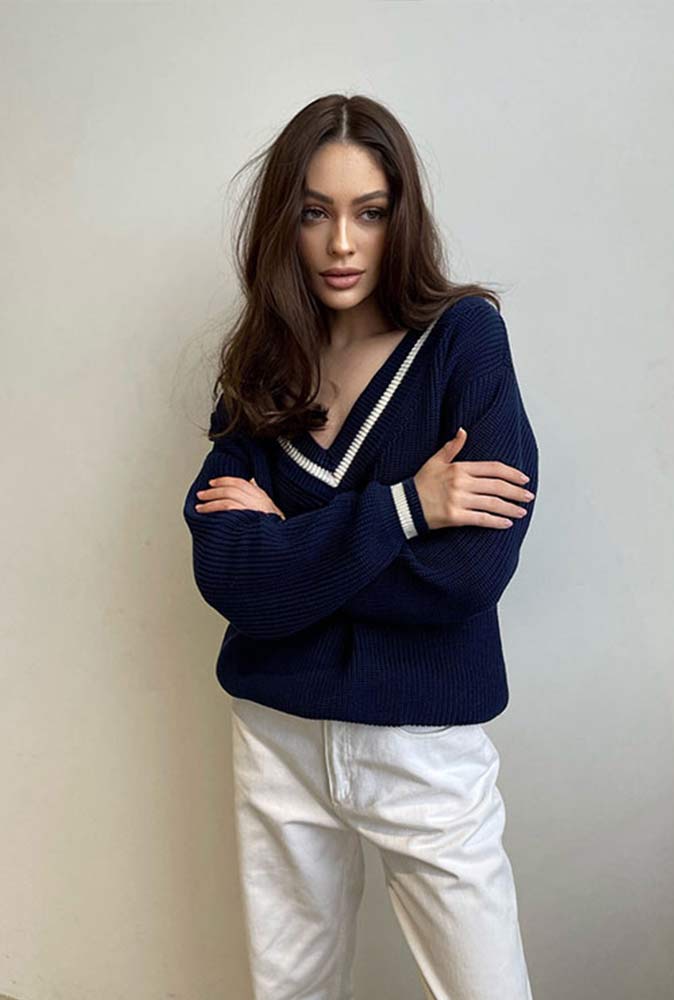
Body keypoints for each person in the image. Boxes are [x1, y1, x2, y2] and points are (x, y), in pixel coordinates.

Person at [183, 93, 539, 1000]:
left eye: (369, 212)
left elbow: (470, 574)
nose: (342, 243)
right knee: (290, 991)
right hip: (277, 737)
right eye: (316, 212)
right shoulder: (262, 368)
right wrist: (405, 510)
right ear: (285, 223)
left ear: (399, 217)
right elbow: (228, 572)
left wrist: (290, 550)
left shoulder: (463, 342)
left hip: (423, 744)